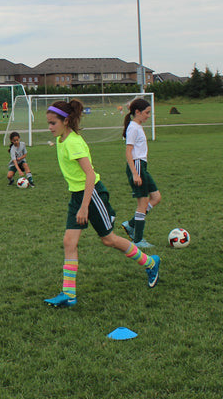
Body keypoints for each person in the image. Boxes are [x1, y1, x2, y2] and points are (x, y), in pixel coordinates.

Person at [42, 99, 160, 309]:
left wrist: (84, 206)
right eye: (48, 123)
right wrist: (80, 203)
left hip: (92, 194)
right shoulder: (62, 140)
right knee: (69, 242)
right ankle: (68, 294)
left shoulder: (73, 142)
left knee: (108, 239)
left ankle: (150, 263)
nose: (50, 127)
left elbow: (89, 175)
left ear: (65, 121)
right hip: (77, 195)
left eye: (53, 123)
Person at [119, 98, 161, 248]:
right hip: (137, 166)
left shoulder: (137, 126)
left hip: (142, 166)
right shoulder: (133, 128)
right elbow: (128, 152)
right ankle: (137, 240)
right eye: (147, 113)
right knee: (142, 203)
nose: (148, 116)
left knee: (156, 197)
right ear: (137, 112)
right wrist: (135, 174)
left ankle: (131, 224)